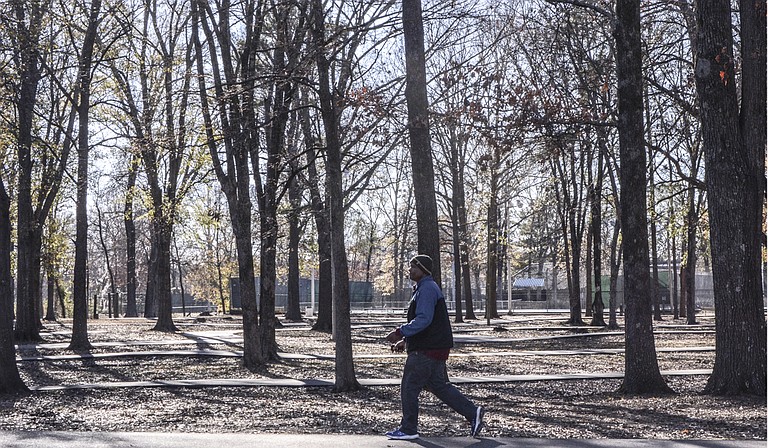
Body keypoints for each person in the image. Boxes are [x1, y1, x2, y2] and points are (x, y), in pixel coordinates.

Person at [385, 254, 485, 440]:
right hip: (434, 347)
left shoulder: (427, 289)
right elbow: (429, 323)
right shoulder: (425, 288)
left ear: (423, 269)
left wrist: (400, 332)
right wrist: (406, 341)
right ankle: (473, 413)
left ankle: (408, 429)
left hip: (427, 350)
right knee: (439, 386)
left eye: (413, 267)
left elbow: (424, 319)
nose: (410, 270)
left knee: (409, 386)